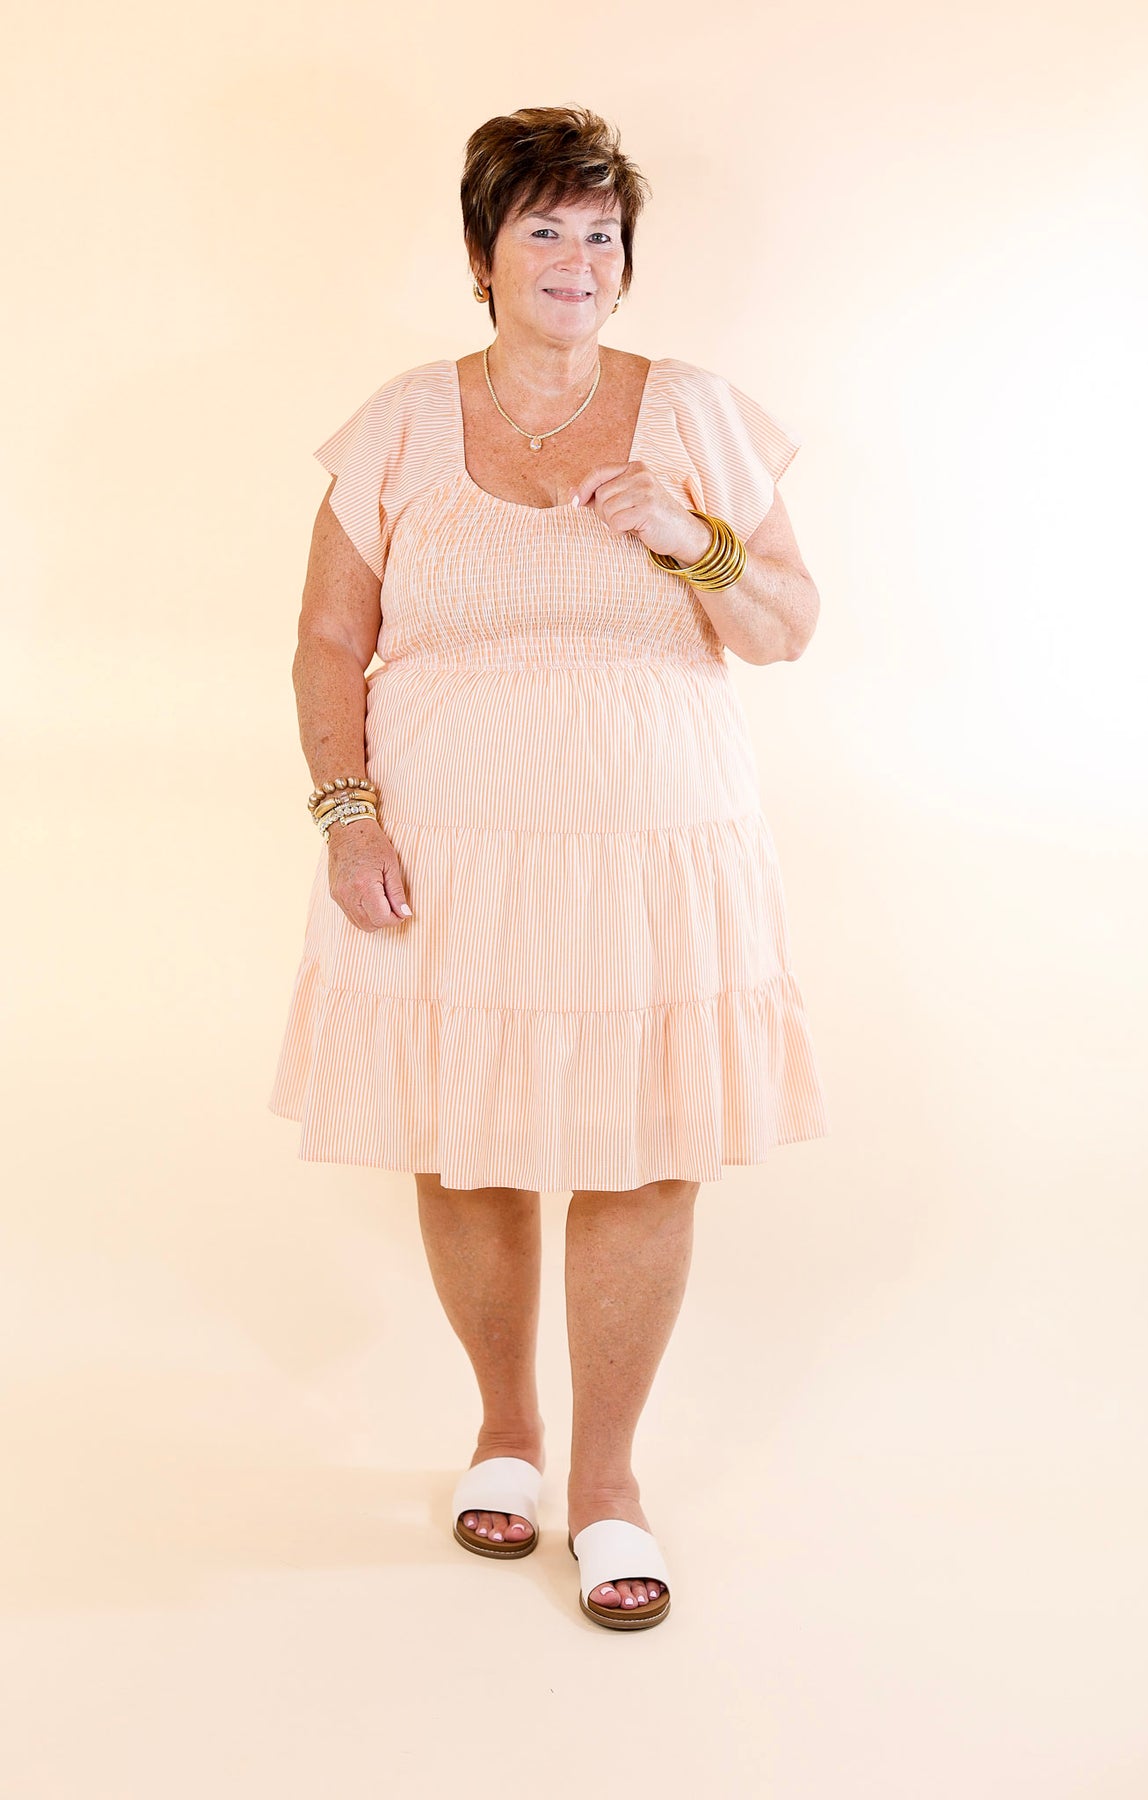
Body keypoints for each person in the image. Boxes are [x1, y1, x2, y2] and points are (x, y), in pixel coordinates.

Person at [268, 105, 831, 1630]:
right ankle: (506, 1433)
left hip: (654, 854)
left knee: (648, 1147)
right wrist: (347, 814)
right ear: (483, 255)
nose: (578, 260)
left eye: (602, 233)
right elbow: (326, 636)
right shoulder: (399, 420)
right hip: (449, 851)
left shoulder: (697, 411)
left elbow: (787, 626)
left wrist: (694, 538)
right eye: (545, 229)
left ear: (625, 262)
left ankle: (610, 1481)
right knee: (469, 1140)